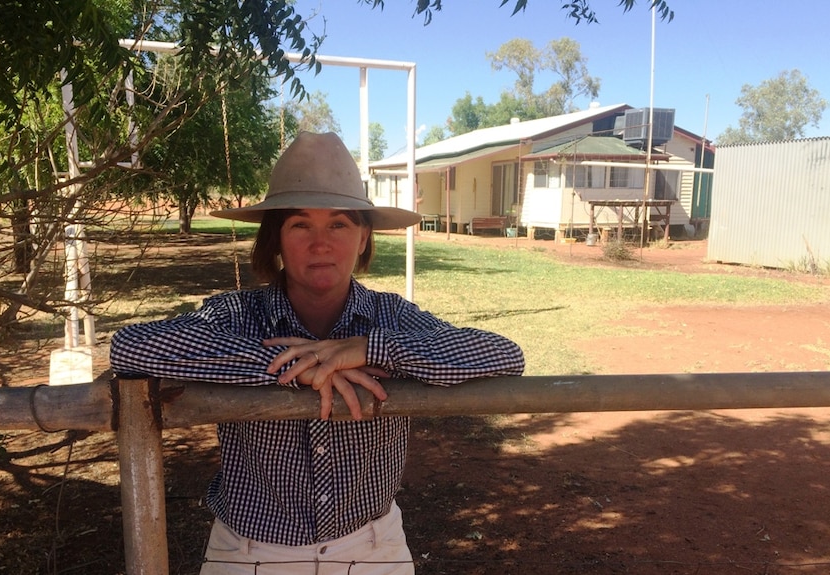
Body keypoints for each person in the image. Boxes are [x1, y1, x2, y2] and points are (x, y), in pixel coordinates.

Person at [109, 131, 525, 574]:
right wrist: (290, 365)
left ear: (363, 238)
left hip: (373, 550)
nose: (320, 243)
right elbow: (131, 345)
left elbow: (504, 355)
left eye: (339, 224)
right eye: (301, 224)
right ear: (277, 238)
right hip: (249, 553)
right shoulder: (236, 314)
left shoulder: (391, 317)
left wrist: (371, 347)